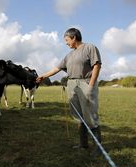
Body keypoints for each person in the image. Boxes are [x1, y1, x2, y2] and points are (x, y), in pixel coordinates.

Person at [36, 28, 102, 156]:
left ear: (74, 37)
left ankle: (98, 148)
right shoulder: (69, 55)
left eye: (67, 40)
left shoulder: (90, 47)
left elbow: (97, 65)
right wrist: (44, 76)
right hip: (71, 84)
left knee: (90, 115)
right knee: (78, 115)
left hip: (86, 82)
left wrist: (91, 84)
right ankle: (83, 144)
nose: (66, 43)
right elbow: (57, 68)